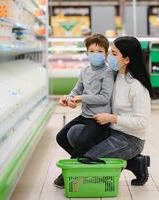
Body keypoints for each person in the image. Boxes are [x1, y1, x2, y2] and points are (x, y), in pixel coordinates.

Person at [55, 36, 152, 188]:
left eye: (114, 54)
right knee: (73, 134)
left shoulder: (137, 86)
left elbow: (142, 123)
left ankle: (133, 161)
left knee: (87, 159)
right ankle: (134, 163)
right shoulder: (115, 75)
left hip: (130, 139)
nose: (108, 57)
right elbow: (88, 89)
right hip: (110, 130)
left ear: (126, 59)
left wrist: (112, 118)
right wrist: (70, 98)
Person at [56, 34, 114, 162]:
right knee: (60, 137)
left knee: (81, 142)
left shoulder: (108, 72)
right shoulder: (85, 71)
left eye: (100, 51)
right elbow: (77, 89)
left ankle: (74, 166)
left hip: (99, 118)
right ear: (87, 53)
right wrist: (69, 98)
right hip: (85, 115)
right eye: (91, 51)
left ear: (106, 54)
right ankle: (86, 160)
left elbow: (104, 97)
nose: (95, 54)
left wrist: (81, 98)